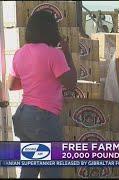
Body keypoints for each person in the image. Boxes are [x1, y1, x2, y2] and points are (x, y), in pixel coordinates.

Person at [8, 11, 77, 178]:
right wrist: (67, 53)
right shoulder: (55, 54)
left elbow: (11, 84)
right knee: (51, 170)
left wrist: (36, 81)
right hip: (43, 118)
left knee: (30, 168)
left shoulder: (20, 53)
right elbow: (71, 83)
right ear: (52, 30)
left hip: (24, 116)